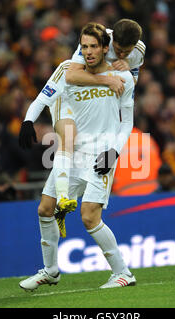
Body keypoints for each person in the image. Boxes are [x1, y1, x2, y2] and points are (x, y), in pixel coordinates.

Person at [19, 23, 136, 290]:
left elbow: (126, 122)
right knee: (45, 209)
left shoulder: (123, 78)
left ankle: (123, 272)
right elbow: (42, 97)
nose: (89, 51)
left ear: (106, 48)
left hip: (102, 154)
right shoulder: (66, 70)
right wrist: (28, 120)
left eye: (94, 46)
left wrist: (114, 152)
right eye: (84, 46)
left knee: (89, 216)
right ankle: (50, 270)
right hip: (73, 154)